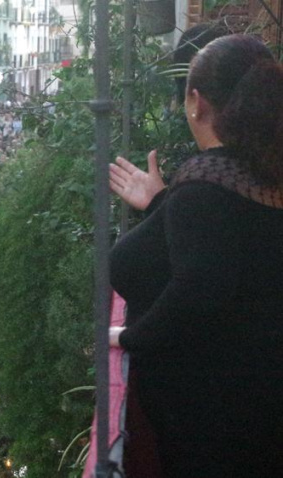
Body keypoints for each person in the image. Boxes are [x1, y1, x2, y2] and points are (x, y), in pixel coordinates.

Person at [109, 35, 283, 477]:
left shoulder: (208, 179)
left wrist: (129, 338)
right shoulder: (260, 173)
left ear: (197, 102)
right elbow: (241, 241)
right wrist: (163, 203)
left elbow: (202, 285)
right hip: (259, 405)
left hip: (213, 420)